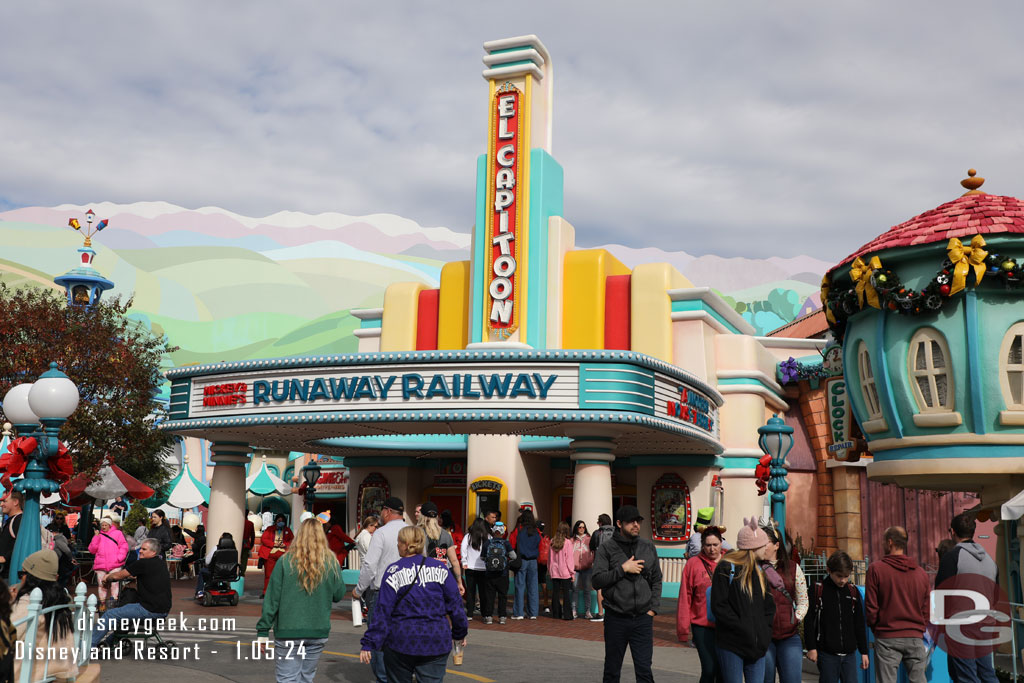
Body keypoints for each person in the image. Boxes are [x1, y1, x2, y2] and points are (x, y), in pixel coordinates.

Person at [360, 525, 469, 682]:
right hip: (435, 639)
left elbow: (383, 611)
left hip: (401, 640)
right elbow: (456, 605)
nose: (397, 545)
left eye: (398, 541)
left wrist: (370, 642)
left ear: (405, 544)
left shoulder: (393, 571)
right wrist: (459, 633)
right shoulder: (440, 568)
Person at [257, 519, 345, 682]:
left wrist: (263, 632)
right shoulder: (331, 562)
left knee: (287, 679)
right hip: (317, 631)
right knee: (306, 678)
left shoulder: (285, 561)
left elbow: (272, 599)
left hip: (288, 631)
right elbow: (338, 594)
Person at [592, 505, 663, 683]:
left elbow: (656, 579)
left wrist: (652, 609)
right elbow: (597, 581)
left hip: (642, 618)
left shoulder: (648, 546)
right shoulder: (607, 549)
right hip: (616, 618)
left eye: (638, 521)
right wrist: (622, 569)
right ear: (619, 523)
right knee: (612, 670)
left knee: (645, 671)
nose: (635, 525)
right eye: (631, 522)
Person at [934, 511, 1000, 683]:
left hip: (962, 626)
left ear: (953, 532)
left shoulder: (952, 557)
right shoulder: (989, 560)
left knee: (966, 677)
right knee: (987, 674)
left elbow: (941, 593)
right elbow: (996, 594)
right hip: (986, 624)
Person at [711, 517, 775, 683]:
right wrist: (743, 628)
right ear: (753, 546)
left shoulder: (761, 571)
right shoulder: (726, 568)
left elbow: (769, 607)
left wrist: (764, 633)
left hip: (757, 647)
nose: (767, 548)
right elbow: (720, 606)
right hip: (731, 645)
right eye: (764, 544)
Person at [353, 497, 409, 683]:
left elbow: (369, 565)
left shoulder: (381, 533)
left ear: (387, 511)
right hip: (409, 593)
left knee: (379, 636)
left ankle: (384, 678)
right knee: (404, 634)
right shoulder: (414, 531)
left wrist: (359, 590)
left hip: (382, 592)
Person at [865, 526, 930, 683]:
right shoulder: (921, 573)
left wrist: (877, 629)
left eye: (883, 541)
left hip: (887, 635)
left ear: (890, 542)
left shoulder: (876, 570)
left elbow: (871, 607)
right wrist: (920, 628)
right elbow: (926, 609)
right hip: (915, 636)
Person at [92, 538, 172, 647]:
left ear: (153, 552)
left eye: (144, 549)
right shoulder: (160, 563)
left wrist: (107, 577)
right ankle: (110, 642)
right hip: (163, 609)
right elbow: (141, 575)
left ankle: (88, 646)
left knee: (109, 615)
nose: (140, 551)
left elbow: (119, 575)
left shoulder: (143, 563)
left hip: (148, 609)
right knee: (127, 616)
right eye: (141, 549)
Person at [12, 550, 78, 681]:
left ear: (31, 577)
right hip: (53, 668)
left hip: (27, 672)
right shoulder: (60, 600)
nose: (20, 578)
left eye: (21, 574)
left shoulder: (28, 602)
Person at [804, 550, 869, 683]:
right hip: (827, 654)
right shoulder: (818, 590)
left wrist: (864, 651)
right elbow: (809, 621)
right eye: (839, 576)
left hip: (849, 655)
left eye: (846, 576)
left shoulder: (853, 591)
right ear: (829, 570)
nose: (843, 580)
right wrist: (811, 647)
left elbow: (859, 623)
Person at [760, 523, 808, 683]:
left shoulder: (793, 568)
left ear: (776, 545)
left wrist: (795, 618)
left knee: (792, 679)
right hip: (764, 636)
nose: (760, 546)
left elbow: (803, 601)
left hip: (789, 637)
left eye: (765, 542)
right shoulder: (754, 569)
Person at [677, 526, 724, 683]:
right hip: (702, 625)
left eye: (715, 545)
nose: (711, 549)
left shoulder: (730, 562)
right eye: (708, 545)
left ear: (721, 543)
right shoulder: (693, 564)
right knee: (709, 669)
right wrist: (683, 629)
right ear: (703, 545)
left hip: (727, 626)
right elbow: (685, 596)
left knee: (724, 671)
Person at [418, 502, 464, 595]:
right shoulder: (446, 534)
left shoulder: (416, 533)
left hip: (422, 579)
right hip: (442, 579)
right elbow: (454, 561)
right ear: (437, 517)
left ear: (422, 516)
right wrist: (459, 582)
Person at [89, 516, 129, 611]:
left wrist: (119, 557)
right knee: (102, 584)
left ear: (110, 525)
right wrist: (96, 537)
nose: (103, 527)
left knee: (114, 583)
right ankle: (102, 603)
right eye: (102, 525)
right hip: (101, 564)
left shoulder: (118, 533)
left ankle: (113, 602)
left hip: (115, 563)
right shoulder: (99, 535)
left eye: (105, 525)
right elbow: (92, 549)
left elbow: (124, 546)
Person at [511, 509, 541, 620]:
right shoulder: (536, 531)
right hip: (533, 561)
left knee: (520, 586)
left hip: (521, 560)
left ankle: (519, 613)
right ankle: (533, 612)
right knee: (533, 587)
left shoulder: (518, 530)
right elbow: (540, 544)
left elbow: (511, 544)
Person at [482, 521, 513, 624]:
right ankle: (502, 617)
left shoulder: (487, 543)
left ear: (493, 531)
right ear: (503, 532)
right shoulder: (506, 543)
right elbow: (514, 556)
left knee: (490, 596)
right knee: (502, 596)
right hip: (502, 574)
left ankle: (489, 616)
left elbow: (482, 557)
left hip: (489, 574)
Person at [460, 518, 490, 620]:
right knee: (483, 592)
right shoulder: (487, 537)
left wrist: (464, 561)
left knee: (471, 591)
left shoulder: (468, 536)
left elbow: (463, 548)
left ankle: (469, 613)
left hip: (470, 567)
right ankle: (484, 613)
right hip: (484, 568)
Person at [259, 513, 294, 597]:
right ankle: (266, 592)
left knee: (283, 575)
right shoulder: (270, 529)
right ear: (275, 521)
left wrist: (285, 544)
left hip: (283, 556)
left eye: (282, 521)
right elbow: (264, 539)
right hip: (270, 555)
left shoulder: (288, 530)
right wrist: (273, 544)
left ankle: (281, 593)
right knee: (268, 575)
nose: (280, 522)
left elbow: (292, 541)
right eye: (279, 520)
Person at [589, 512, 616, 622]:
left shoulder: (597, 533)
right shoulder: (616, 532)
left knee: (600, 588)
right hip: (614, 563)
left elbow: (591, 547)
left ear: (600, 523)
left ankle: (600, 613)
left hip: (600, 563)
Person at [548, 521, 575, 621]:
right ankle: (567, 615)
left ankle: (556, 613)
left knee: (555, 594)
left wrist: (550, 570)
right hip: (565, 572)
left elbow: (550, 559)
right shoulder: (567, 542)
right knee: (566, 594)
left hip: (554, 572)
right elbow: (569, 559)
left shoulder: (552, 541)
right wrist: (572, 572)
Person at [195, 533, 236, 597]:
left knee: (202, 571)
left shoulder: (216, 548)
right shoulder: (234, 550)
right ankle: (224, 586)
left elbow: (207, 561)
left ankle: (199, 591)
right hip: (230, 573)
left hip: (215, 572)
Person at [571, 520, 595, 620]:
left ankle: (588, 611)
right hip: (575, 568)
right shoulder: (572, 540)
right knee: (574, 589)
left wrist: (590, 561)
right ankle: (574, 610)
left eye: (583, 527)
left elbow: (593, 551)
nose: (581, 529)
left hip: (587, 568)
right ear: (576, 528)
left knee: (587, 590)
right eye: (580, 527)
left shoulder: (589, 539)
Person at [0, 492, 24, 577]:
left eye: (5, 501)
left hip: (10, 575)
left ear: (15, 502)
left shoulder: (19, 520)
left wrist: (5, 558)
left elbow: (21, 544)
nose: (1, 504)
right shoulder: (12, 520)